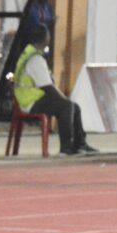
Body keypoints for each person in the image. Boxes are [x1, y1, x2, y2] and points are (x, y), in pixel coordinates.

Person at [13, 24, 97, 156]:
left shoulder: (27, 54)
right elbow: (47, 87)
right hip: (31, 102)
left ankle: (80, 145)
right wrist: (63, 99)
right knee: (66, 106)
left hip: (29, 99)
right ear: (45, 38)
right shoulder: (35, 59)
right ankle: (66, 148)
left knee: (74, 106)